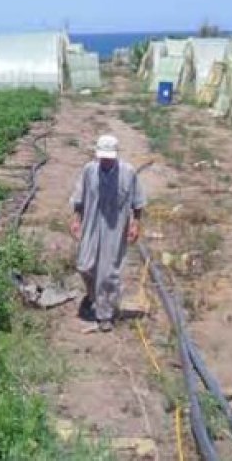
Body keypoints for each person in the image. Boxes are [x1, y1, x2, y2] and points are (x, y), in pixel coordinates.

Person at [69, 135, 146, 332]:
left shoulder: (128, 173)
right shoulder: (89, 170)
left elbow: (138, 203)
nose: (106, 161)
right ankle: (93, 295)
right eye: (103, 157)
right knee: (84, 266)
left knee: (108, 273)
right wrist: (76, 220)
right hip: (92, 225)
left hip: (115, 227)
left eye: (109, 157)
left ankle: (105, 314)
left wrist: (135, 224)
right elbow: (80, 197)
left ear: (116, 155)